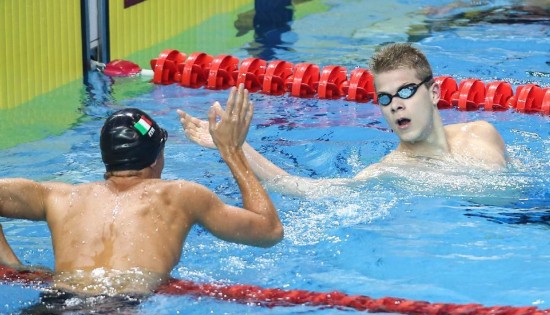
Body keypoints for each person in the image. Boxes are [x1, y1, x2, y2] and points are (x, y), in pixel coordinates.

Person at [0, 84, 283, 296]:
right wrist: (232, 151)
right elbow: (269, 232)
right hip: (123, 310)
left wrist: (13, 267)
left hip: (56, 303)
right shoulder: (181, 195)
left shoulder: (60, 197)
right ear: (157, 158)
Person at [179, 43, 508, 197]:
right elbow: (301, 187)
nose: (395, 105)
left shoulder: (480, 132)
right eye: (385, 98)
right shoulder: (389, 171)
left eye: (406, 92)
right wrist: (235, 149)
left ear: (434, 93)